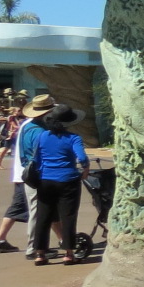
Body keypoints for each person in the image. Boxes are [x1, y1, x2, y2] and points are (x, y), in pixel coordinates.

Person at [0, 94, 53, 255]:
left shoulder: (27, 124)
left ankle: (0, 240)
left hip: (22, 173)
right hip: (28, 175)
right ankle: (36, 245)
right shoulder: (38, 130)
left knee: (23, 208)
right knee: (36, 209)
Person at [27, 105, 89, 266]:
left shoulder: (42, 136)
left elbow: (37, 158)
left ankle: (40, 253)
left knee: (44, 216)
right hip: (68, 180)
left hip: (45, 180)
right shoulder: (73, 138)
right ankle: (68, 253)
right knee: (68, 216)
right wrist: (86, 169)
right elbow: (81, 157)